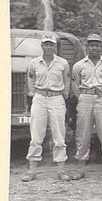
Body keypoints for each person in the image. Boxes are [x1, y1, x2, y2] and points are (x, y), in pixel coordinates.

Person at [21, 34, 71, 182]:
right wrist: (34, 94)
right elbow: (30, 81)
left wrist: (63, 97)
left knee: (59, 136)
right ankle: (32, 170)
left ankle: (61, 170)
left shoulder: (63, 63)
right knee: (36, 135)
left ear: (55, 46)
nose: (49, 47)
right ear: (42, 46)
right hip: (40, 97)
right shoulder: (34, 63)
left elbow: (67, 82)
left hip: (56, 97)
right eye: (46, 44)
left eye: (51, 44)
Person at [71, 34, 102, 180]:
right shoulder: (79, 65)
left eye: (97, 45)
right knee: (83, 133)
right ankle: (81, 166)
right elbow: (74, 85)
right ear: (87, 46)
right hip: (85, 98)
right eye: (91, 45)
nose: (94, 47)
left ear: (101, 46)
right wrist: (83, 97)